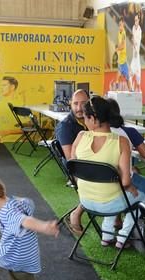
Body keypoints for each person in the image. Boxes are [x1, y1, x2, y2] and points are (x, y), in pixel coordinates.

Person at [71, 96, 145, 249]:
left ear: (92, 118)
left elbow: (75, 167)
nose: (84, 121)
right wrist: (130, 187)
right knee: (140, 197)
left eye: (85, 117)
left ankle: (106, 236)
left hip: (85, 200)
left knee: (114, 193)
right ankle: (123, 238)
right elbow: (125, 182)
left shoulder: (80, 137)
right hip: (109, 202)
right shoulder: (121, 142)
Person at [55, 89, 89, 236]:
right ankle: (76, 213)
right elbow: (71, 160)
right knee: (109, 180)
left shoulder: (91, 120)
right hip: (76, 169)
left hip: (91, 164)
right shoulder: (66, 126)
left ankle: (116, 220)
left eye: (83, 103)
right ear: (70, 104)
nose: (79, 108)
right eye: (75, 103)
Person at [129, 12, 142, 92]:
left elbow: (136, 41)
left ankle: (138, 90)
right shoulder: (133, 27)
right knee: (130, 73)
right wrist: (132, 41)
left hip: (137, 55)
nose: (135, 22)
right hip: (134, 55)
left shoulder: (140, 30)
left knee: (138, 76)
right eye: (135, 20)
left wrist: (133, 42)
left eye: (136, 20)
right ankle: (132, 90)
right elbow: (133, 38)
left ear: (139, 20)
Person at [115, 19, 129, 88]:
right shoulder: (119, 33)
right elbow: (119, 44)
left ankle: (130, 90)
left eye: (121, 25)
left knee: (127, 78)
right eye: (119, 25)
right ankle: (116, 91)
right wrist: (117, 50)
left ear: (123, 25)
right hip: (120, 58)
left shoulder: (123, 33)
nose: (119, 26)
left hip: (123, 59)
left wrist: (117, 49)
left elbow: (123, 46)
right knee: (118, 76)